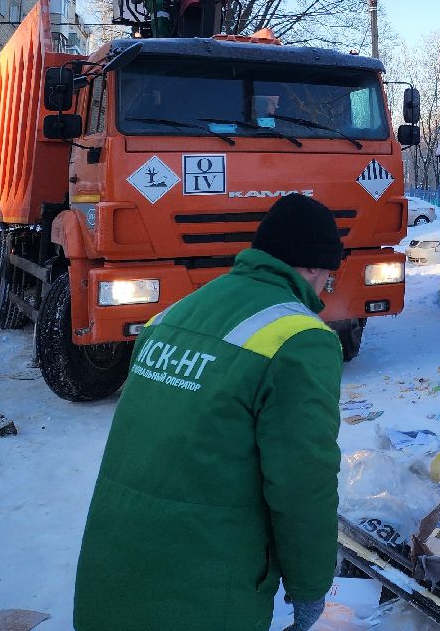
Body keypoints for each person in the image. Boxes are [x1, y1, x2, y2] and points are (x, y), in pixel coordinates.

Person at [74, 193, 345, 631]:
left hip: (113, 566)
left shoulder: (173, 315)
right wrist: (311, 585)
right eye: (328, 277)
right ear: (313, 267)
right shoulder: (300, 339)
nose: (324, 291)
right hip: (200, 587)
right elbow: (302, 481)